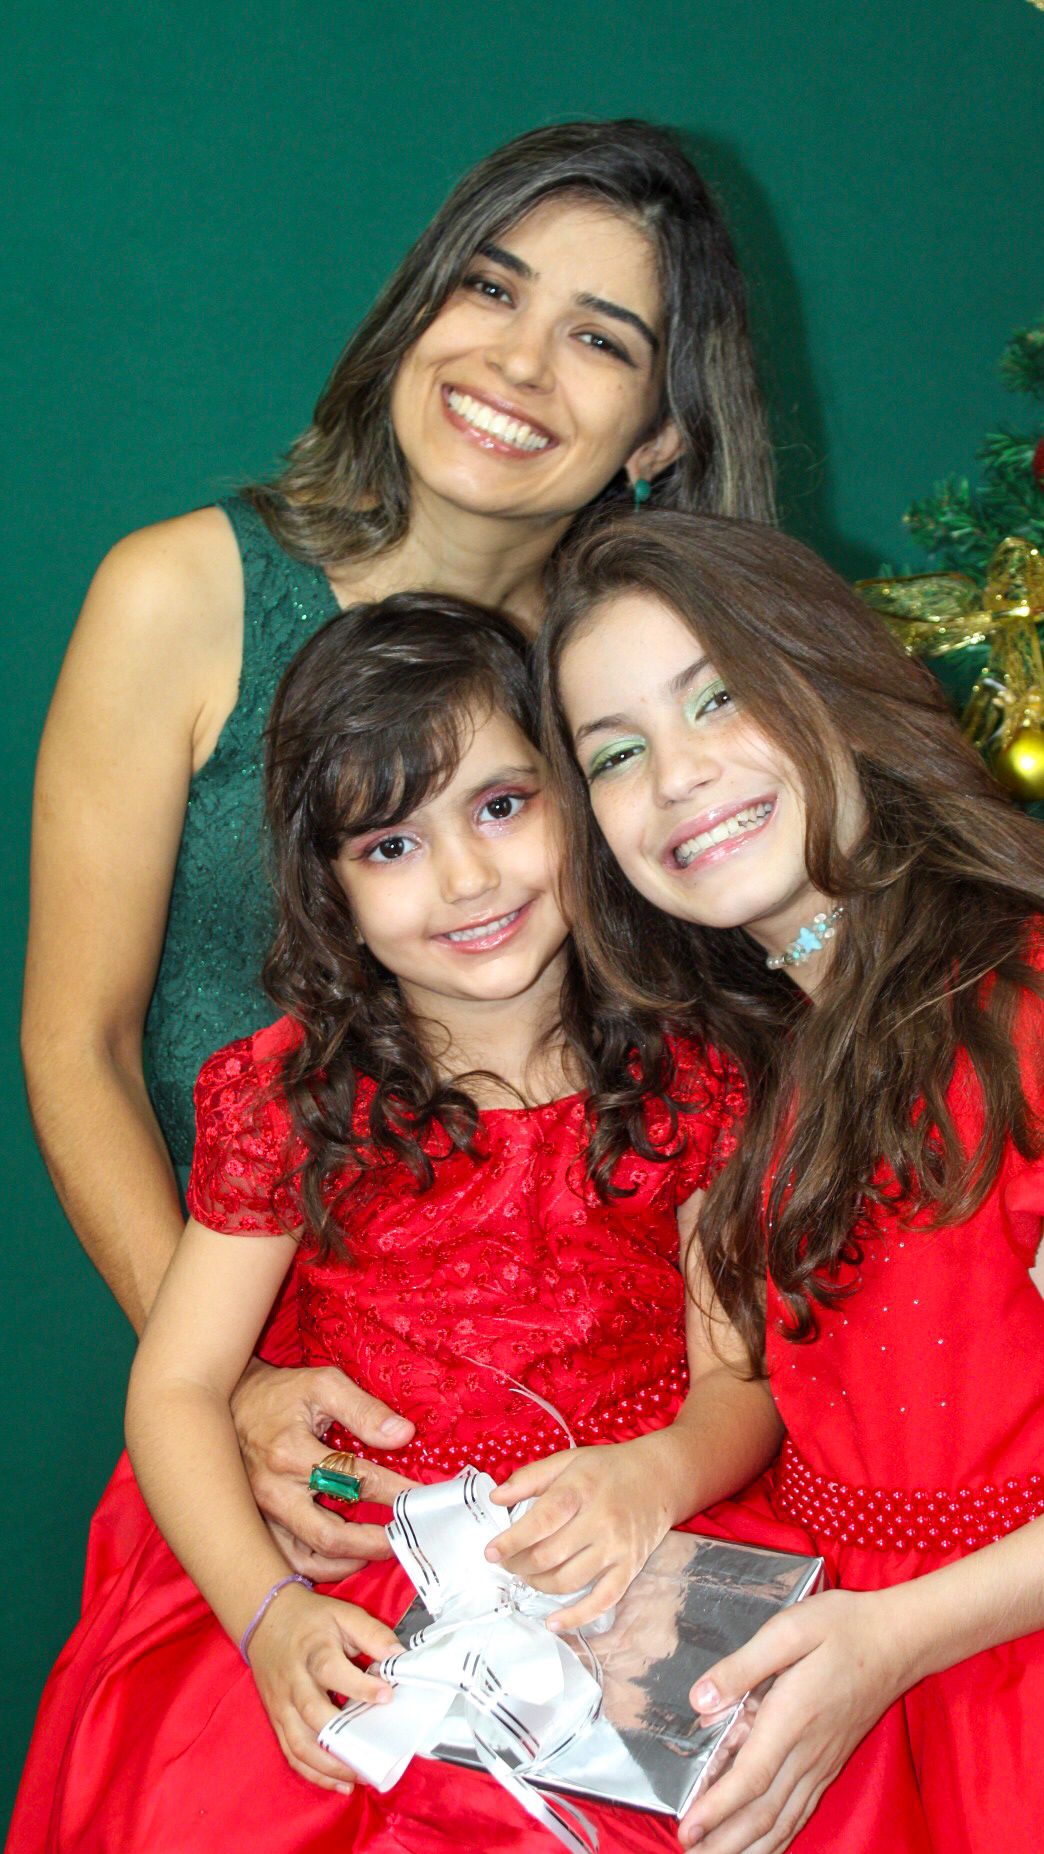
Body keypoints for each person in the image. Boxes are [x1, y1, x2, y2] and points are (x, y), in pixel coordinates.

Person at [5, 593, 861, 1854]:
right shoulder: (290, 1101)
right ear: (330, 891)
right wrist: (268, 1616)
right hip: (346, 1571)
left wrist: (654, 1477)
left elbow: (735, 1382)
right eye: (393, 843)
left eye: (502, 807)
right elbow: (176, 1391)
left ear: (577, 804)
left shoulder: (699, 1075)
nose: (466, 878)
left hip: (629, 1546)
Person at [21, 117, 776, 1581]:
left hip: (616, 1457)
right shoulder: (179, 596)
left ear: (664, 431)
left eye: (599, 340)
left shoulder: (646, 679)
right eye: (489, 289)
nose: (518, 363)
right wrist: (232, 1386)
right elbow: (78, 1042)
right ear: (419, 304)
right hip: (288, 1406)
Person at [540, 510, 1044, 1854]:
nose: (677, 774)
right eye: (615, 754)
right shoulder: (771, 1047)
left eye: (719, 697)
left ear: (828, 683)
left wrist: (895, 1636)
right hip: (847, 1718)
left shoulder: (1040, 996)